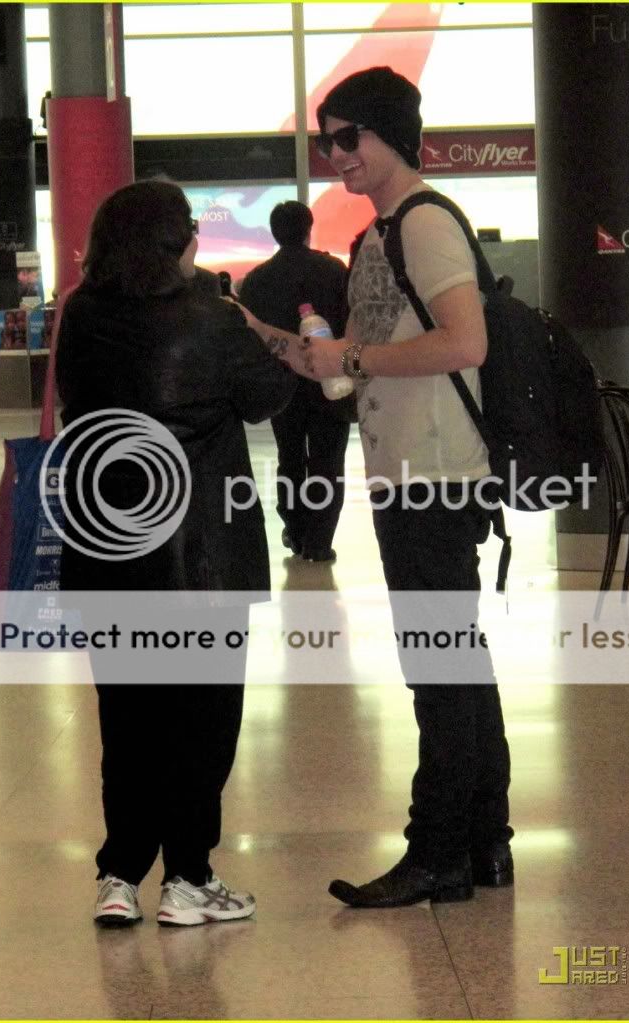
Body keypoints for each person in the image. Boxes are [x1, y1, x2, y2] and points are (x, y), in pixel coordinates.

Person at [239, 67, 513, 908]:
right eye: (328, 141)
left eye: (348, 137)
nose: (337, 155)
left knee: (438, 664)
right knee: (456, 659)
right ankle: (484, 842)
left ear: (392, 132)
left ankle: (437, 851)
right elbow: (339, 371)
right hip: (405, 473)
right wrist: (259, 334)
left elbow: (465, 343)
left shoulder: (424, 224)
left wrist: (351, 355)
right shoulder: (376, 236)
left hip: (436, 477)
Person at [56, 180, 296, 927]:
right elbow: (266, 396)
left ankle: (120, 874)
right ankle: (188, 876)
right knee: (202, 720)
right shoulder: (212, 317)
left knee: (128, 718)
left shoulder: (81, 314)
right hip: (203, 558)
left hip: (110, 548)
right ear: (174, 241)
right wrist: (249, 325)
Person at [238, 201, 351, 561]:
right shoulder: (334, 270)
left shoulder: (257, 279)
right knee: (327, 461)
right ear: (308, 228)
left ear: (274, 232)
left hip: (282, 385)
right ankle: (319, 542)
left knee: (289, 457)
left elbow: (251, 337)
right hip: (330, 380)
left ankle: (296, 531)